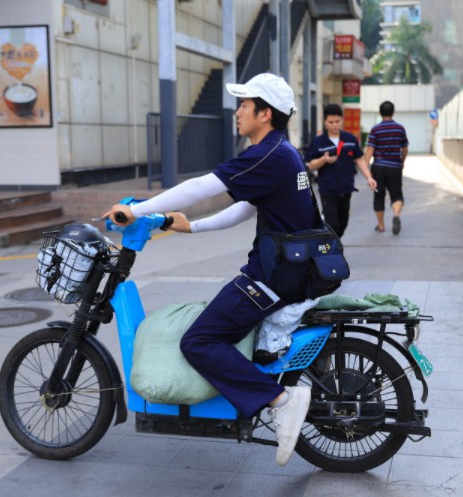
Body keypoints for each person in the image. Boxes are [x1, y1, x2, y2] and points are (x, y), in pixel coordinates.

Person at [103, 73, 312, 467]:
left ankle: (281, 399)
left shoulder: (267, 154)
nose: (238, 113)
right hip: (287, 267)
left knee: (199, 340)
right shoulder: (281, 151)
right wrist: (192, 226)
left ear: (264, 113)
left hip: (275, 275)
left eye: (244, 105)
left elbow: (203, 186)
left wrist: (137, 209)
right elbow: (246, 207)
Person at [305, 103, 377, 237]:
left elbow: (359, 159)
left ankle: (332, 244)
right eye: (331, 122)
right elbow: (310, 165)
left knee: (343, 223)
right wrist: (323, 160)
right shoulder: (318, 142)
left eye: (337, 121)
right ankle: (333, 251)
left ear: (342, 121)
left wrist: (369, 177)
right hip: (328, 189)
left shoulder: (349, 139)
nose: (334, 125)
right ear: (325, 122)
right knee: (333, 224)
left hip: (346, 188)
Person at [363, 101, 409, 235]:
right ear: (393, 112)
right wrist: (402, 162)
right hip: (395, 166)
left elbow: (370, 149)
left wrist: (366, 170)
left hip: (378, 167)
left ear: (380, 113)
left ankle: (381, 225)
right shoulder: (400, 129)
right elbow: (405, 148)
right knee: (396, 194)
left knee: (379, 196)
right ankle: (396, 215)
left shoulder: (375, 129)